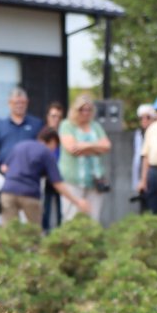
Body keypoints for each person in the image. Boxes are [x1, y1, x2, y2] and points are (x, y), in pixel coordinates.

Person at [0, 127, 90, 227]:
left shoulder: (20, 145)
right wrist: (76, 201)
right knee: (33, 231)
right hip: (30, 194)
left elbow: (4, 168)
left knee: (9, 231)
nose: (54, 149)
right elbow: (57, 183)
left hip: (8, 191)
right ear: (52, 141)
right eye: (55, 146)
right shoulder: (46, 152)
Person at [0, 87, 44, 224]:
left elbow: (42, 150)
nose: (19, 105)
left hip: (29, 179)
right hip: (4, 177)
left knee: (28, 220)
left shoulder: (36, 124)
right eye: (16, 102)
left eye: (22, 102)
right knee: (1, 217)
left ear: (27, 103)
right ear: (9, 103)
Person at [58, 93, 111, 222]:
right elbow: (72, 149)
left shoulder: (95, 126)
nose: (85, 113)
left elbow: (107, 146)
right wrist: (96, 149)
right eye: (82, 109)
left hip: (94, 181)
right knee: (71, 218)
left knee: (93, 219)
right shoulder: (67, 125)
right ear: (75, 110)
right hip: (73, 181)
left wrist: (84, 145)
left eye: (88, 109)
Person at [42, 101, 64, 232]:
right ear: (47, 117)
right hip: (46, 178)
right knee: (46, 210)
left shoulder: (64, 134)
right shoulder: (43, 134)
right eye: (53, 116)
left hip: (61, 178)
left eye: (58, 117)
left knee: (62, 211)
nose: (55, 120)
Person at [132, 103, 155, 214]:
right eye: (141, 118)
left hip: (154, 175)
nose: (144, 120)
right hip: (142, 174)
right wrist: (138, 180)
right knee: (143, 209)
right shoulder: (139, 134)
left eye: (148, 117)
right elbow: (138, 159)